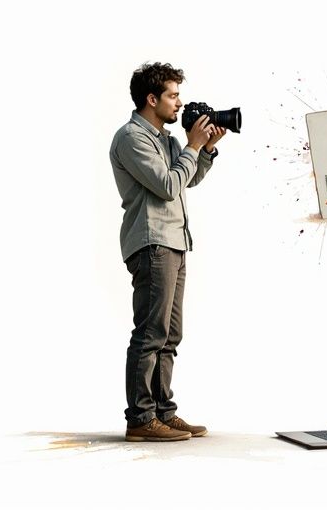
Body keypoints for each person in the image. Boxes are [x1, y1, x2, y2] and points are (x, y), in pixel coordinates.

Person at [109, 62, 226, 441]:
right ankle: (140, 418)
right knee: (150, 333)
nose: (179, 103)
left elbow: (188, 179)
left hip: (175, 241)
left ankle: (162, 412)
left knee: (170, 336)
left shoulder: (167, 139)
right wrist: (192, 145)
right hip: (152, 242)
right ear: (151, 99)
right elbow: (166, 186)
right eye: (173, 96)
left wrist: (205, 149)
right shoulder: (131, 138)